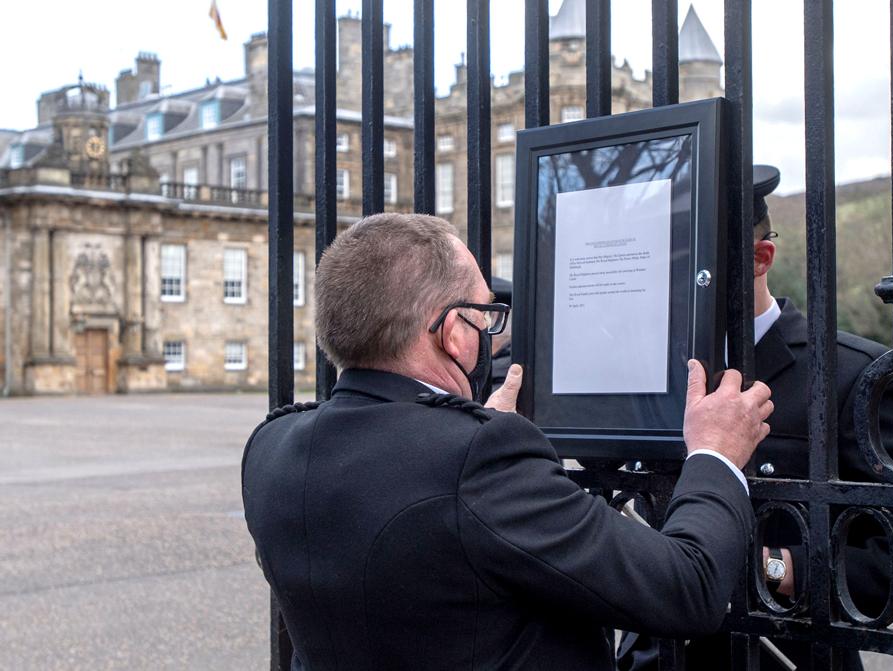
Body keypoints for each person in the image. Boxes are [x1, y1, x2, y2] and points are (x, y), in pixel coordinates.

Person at [242, 212, 774, 670]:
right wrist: (713, 454)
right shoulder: (479, 459)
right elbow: (689, 587)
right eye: (484, 315)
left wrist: (466, 424)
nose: (489, 331)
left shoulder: (269, 446)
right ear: (453, 333)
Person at [618, 166, 893, 671]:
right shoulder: (647, 370)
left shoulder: (848, 373)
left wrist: (773, 568)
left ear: (761, 258)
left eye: (695, 266)